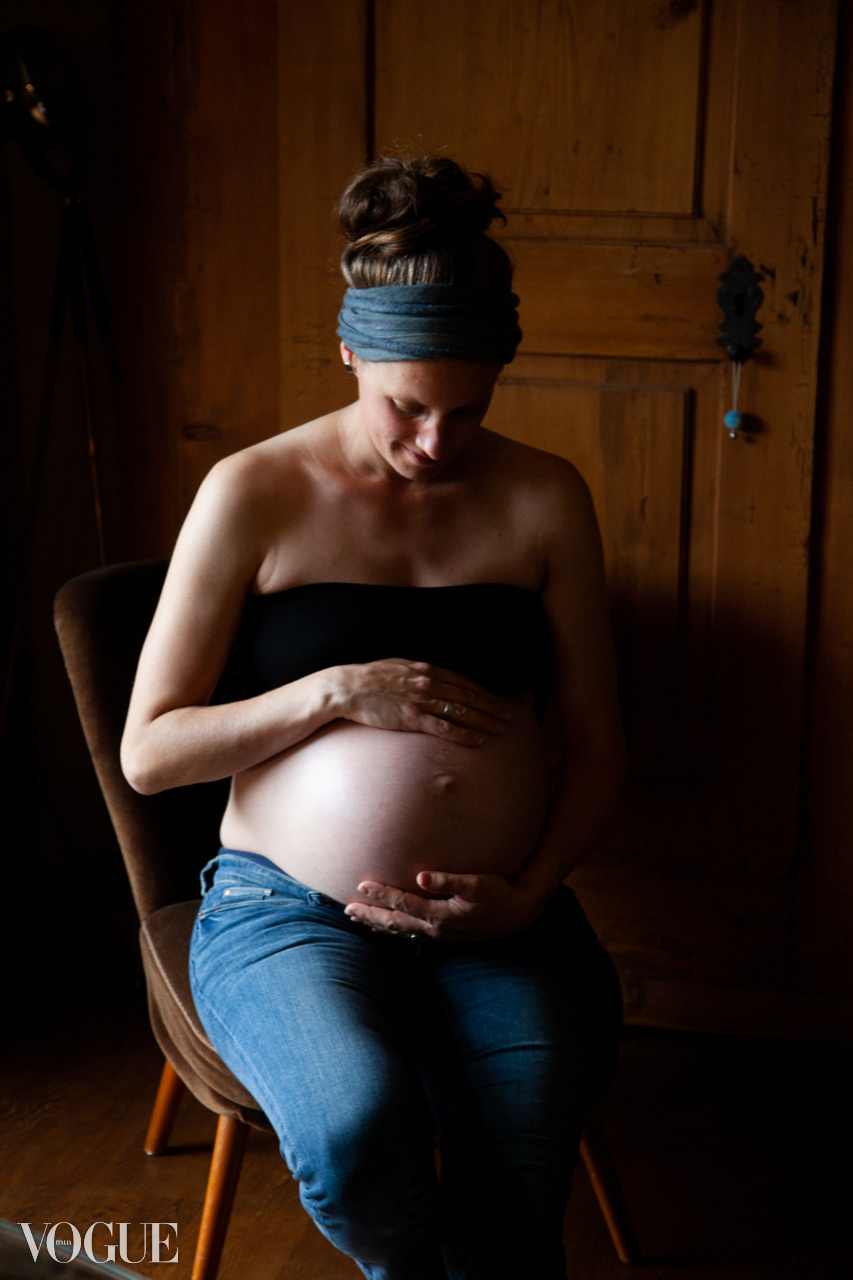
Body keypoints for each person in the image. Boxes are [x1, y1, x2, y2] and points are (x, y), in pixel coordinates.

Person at [121, 155, 626, 1280]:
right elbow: (150, 750)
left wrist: (529, 891)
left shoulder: (544, 496)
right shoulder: (254, 492)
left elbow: (595, 744)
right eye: (407, 405)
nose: (438, 443)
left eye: (469, 409)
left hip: (501, 913)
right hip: (287, 910)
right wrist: (332, 691)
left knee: (528, 1135)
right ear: (349, 349)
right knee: (355, 1138)